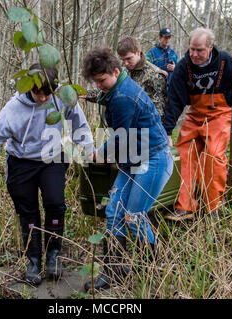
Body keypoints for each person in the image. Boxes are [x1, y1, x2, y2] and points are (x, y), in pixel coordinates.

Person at [0, 63, 93, 285]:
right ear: (29, 88)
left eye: (47, 94)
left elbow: (81, 128)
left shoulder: (63, 98)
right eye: (37, 93)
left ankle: (53, 256)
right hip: (22, 161)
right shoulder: (14, 107)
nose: (42, 99)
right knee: (27, 210)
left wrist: (89, 152)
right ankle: (33, 260)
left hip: (53, 157)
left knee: (55, 203)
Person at [81, 47, 173, 291]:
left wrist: (99, 154)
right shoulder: (114, 91)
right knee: (114, 211)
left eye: (102, 80)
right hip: (133, 159)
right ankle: (113, 272)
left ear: (116, 71)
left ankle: (151, 270)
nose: (99, 85)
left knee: (133, 216)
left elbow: (122, 138)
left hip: (153, 159)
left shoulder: (123, 97)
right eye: (96, 81)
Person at [162, 28, 232, 221]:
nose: (194, 54)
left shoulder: (226, 60)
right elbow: (175, 101)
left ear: (210, 47)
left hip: (220, 114)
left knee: (213, 155)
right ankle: (184, 206)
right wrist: (167, 131)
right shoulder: (183, 66)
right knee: (183, 154)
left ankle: (213, 207)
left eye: (200, 50)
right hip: (195, 115)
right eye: (191, 49)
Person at [85, 37, 168, 117]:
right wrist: (84, 94)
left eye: (129, 59)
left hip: (145, 127)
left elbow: (158, 112)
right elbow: (107, 92)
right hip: (124, 122)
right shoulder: (123, 72)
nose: (126, 63)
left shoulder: (155, 75)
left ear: (138, 52)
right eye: (123, 60)